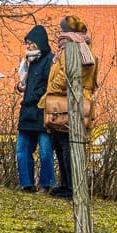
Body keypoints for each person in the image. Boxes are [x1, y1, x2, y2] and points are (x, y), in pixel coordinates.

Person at [39, 16, 97, 199]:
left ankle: (72, 187)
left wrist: (51, 92)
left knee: (67, 145)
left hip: (70, 101)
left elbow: (66, 76)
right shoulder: (71, 48)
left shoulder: (75, 49)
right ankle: (65, 184)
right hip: (66, 101)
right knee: (59, 143)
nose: (59, 33)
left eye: (61, 29)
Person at [15, 25, 54, 192]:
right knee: (22, 149)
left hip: (41, 111)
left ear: (39, 43)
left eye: (31, 43)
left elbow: (47, 85)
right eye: (27, 43)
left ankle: (46, 185)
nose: (29, 46)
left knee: (45, 151)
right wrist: (21, 86)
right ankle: (26, 183)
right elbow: (26, 83)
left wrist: (31, 96)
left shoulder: (49, 60)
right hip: (27, 113)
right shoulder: (28, 62)